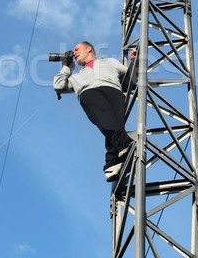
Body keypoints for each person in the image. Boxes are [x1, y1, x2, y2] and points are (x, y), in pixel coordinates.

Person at [53, 41, 137, 182]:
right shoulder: (75, 77)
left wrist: (134, 61)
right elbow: (58, 85)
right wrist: (66, 68)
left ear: (89, 49)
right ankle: (125, 145)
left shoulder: (110, 62)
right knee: (105, 117)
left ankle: (112, 162)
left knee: (115, 122)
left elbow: (130, 79)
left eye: (76, 49)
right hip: (89, 93)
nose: (74, 53)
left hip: (114, 91)